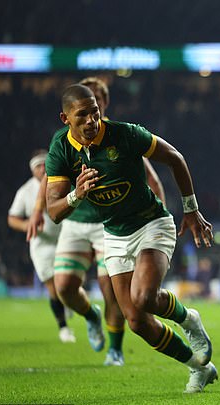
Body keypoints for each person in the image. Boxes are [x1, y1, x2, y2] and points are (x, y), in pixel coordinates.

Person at [45, 84, 216, 392]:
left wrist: (191, 209)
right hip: (113, 233)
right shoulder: (60, 148)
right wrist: (76, 194)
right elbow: (54, 210)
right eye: (81, 115)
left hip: (152, 223)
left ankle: (189, 319)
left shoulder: (124, 134)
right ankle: (197, 367)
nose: (90, 121)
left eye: (94, 112)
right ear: (65, 119)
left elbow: (175, 157)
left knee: (144, 297)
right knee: (136, 321)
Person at [28, 77, 167, 366]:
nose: (95, 111)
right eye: (89, 105)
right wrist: (37, 211)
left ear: (103, 103)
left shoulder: (120, 137)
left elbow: (151, 177)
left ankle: (114, 350)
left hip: (111, 225)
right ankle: (91, 315)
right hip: (75, 221)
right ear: (69, 115)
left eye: (99, 102)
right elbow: (50, 184)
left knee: (111, 290)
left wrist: (157, 227)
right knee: (64, 286)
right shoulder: (64, 141)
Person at [8, 149, 75, 344]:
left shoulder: (62, 182)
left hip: (65, 236)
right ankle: (63, 328)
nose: (43, 168)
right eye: (38, 166)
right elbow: (12, 218)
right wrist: (27, 225)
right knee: (53, 288)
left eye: (45, 164)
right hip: (41, 243)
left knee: (68, 282)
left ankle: (70, 301)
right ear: (32, 170)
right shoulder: (25, 191)